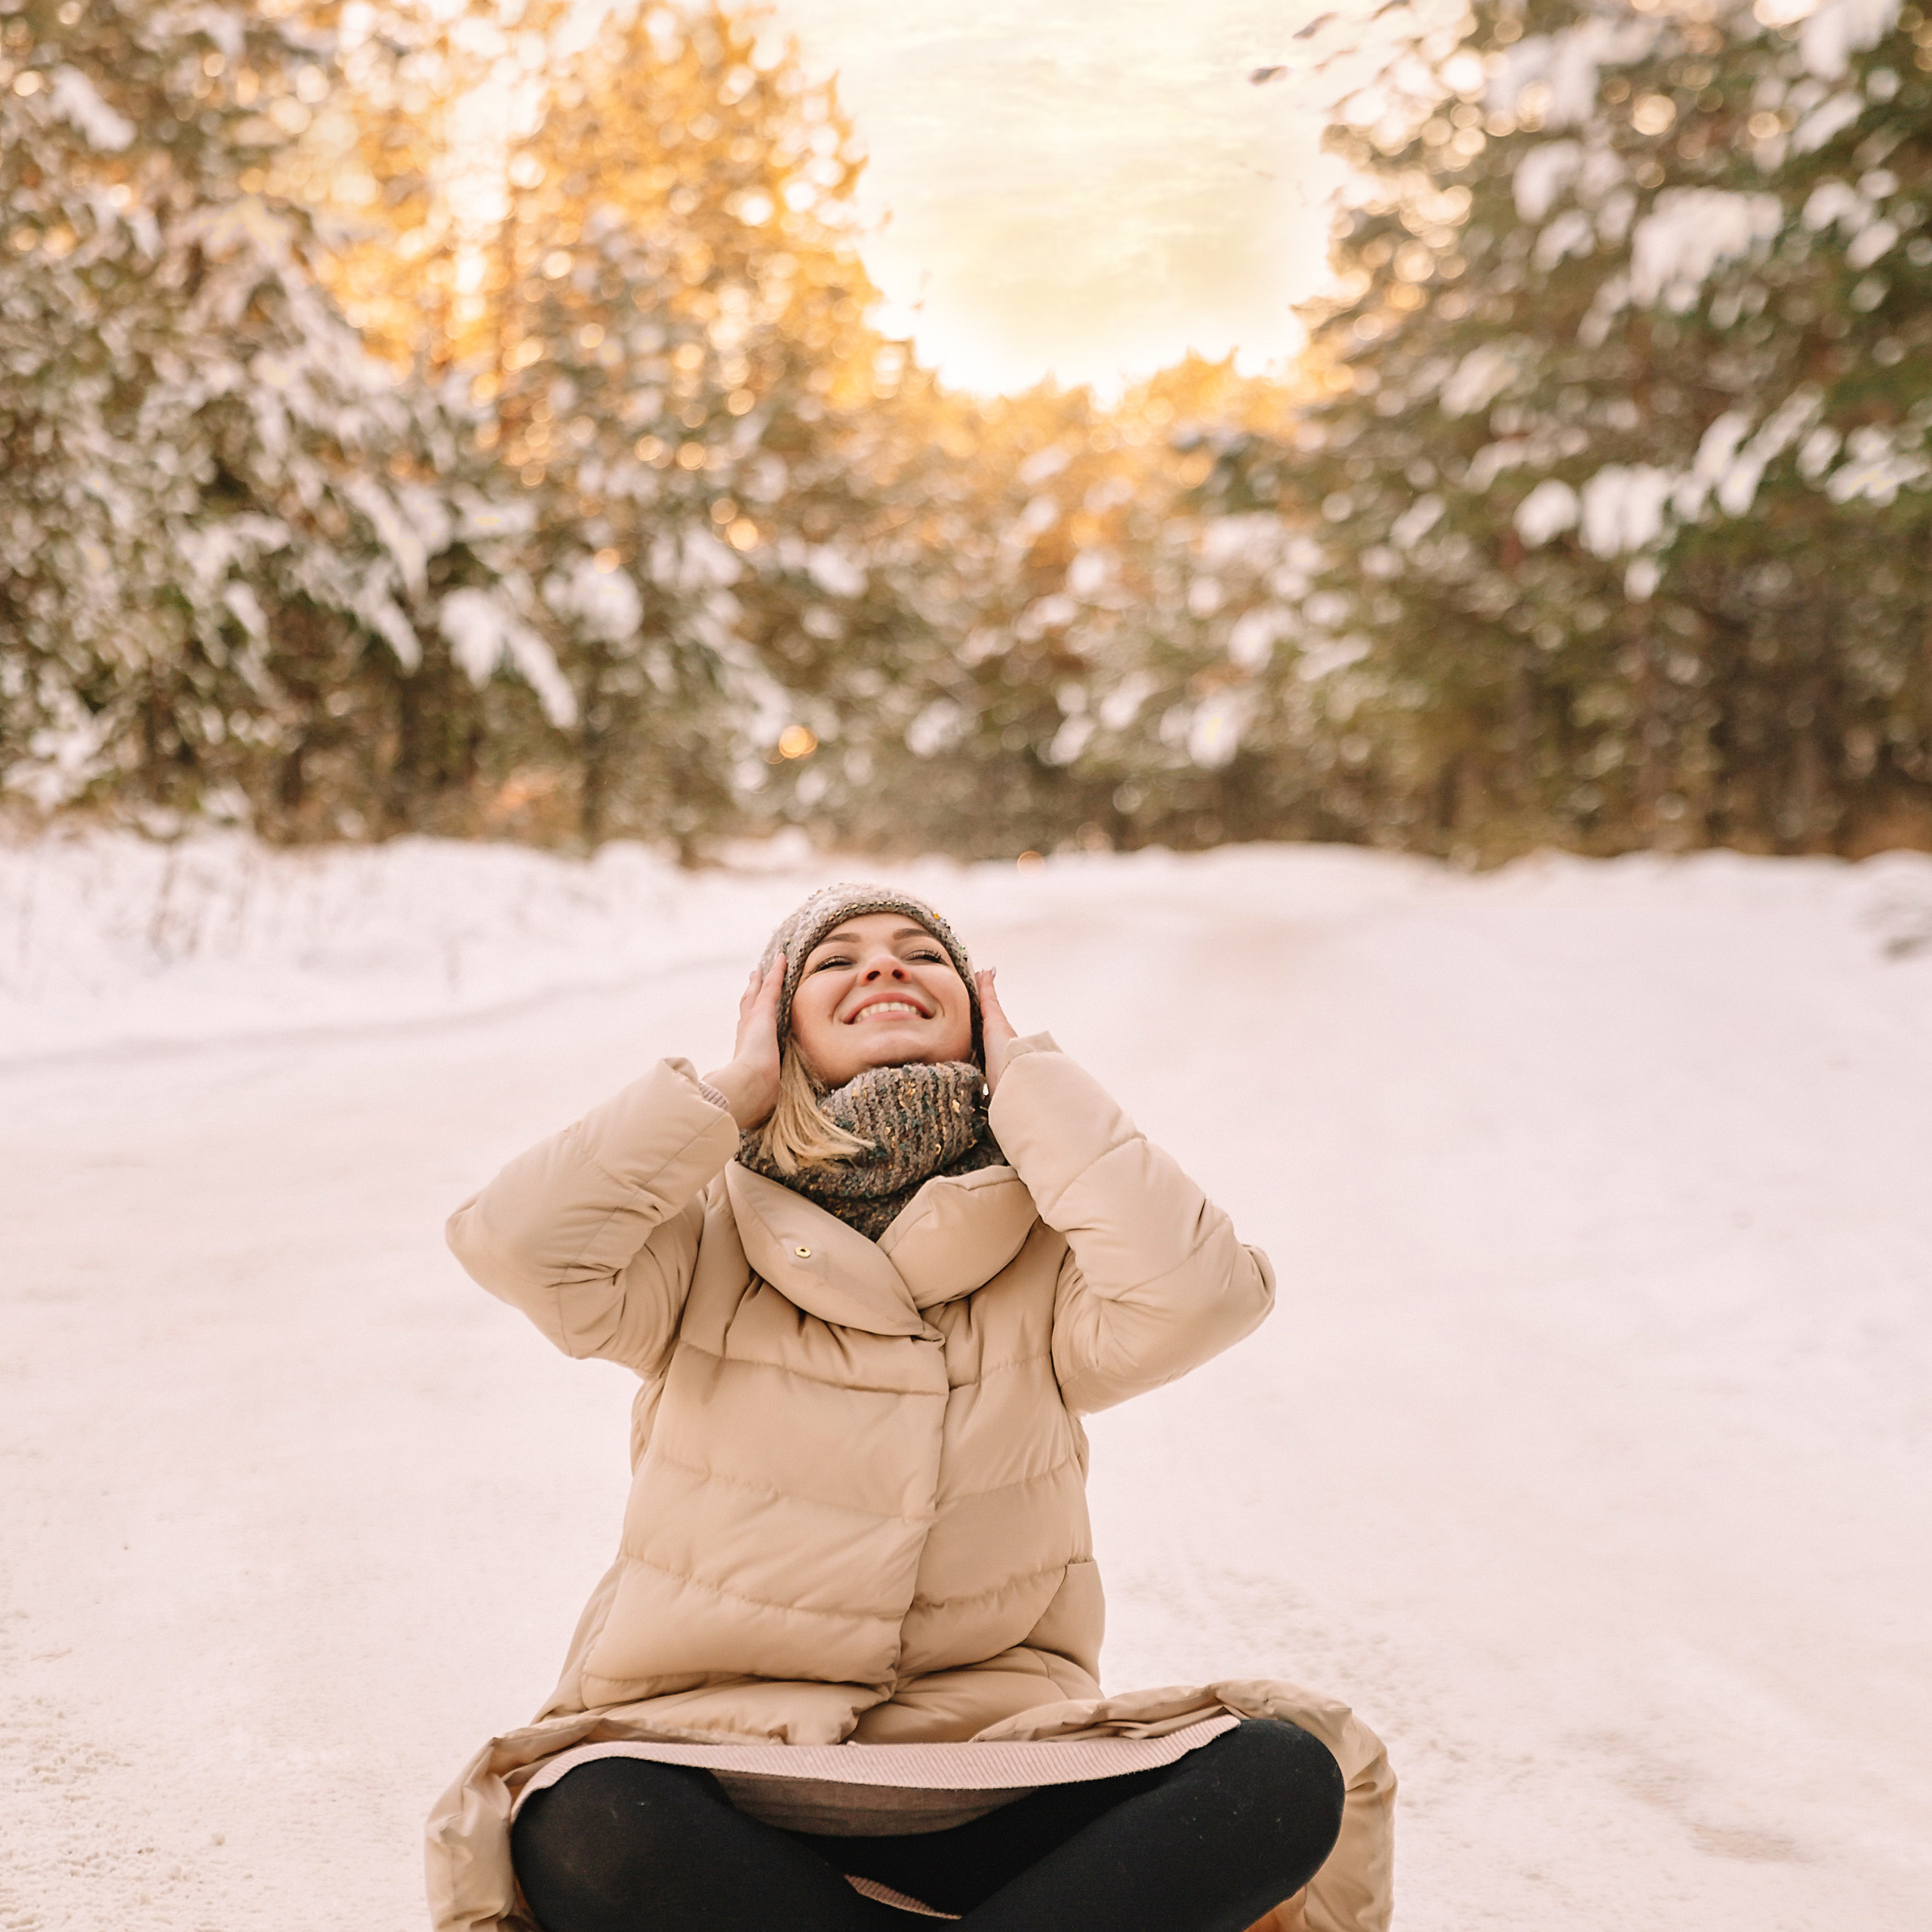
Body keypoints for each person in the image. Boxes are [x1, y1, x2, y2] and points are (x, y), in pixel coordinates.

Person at [426, 885, 1395, 1932]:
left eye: (920, 954)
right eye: (833, 961)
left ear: (977, 1009)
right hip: (713, 1762)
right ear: (778, 1022)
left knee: (1280, 1776)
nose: (882, 968)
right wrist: (731, 1091)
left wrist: (1029, 1087)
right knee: (587, 1817)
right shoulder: (697, 1231)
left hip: (986, 1769)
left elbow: (1205, 1297)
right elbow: (514, 1242)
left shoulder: (1050, 1243)